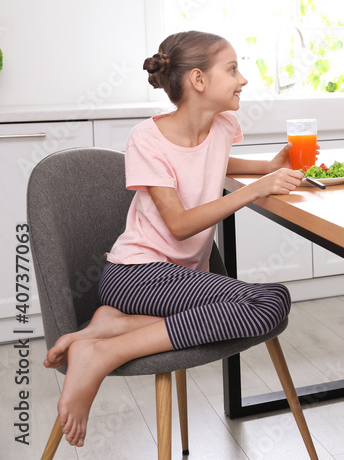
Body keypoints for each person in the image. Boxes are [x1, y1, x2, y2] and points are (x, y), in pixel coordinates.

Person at [43, 31, 306, 448]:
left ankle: (113, 326)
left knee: (272, 302)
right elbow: (180, 224)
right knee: (269, 302)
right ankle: (104, 351)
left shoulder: (221, 126)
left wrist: (266, 166)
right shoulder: (147, 139)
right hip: (136, 276)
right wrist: (254, 189)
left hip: (179, 282)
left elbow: (211, 162)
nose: (244, 79)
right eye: (233, 69)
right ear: (199, 80)